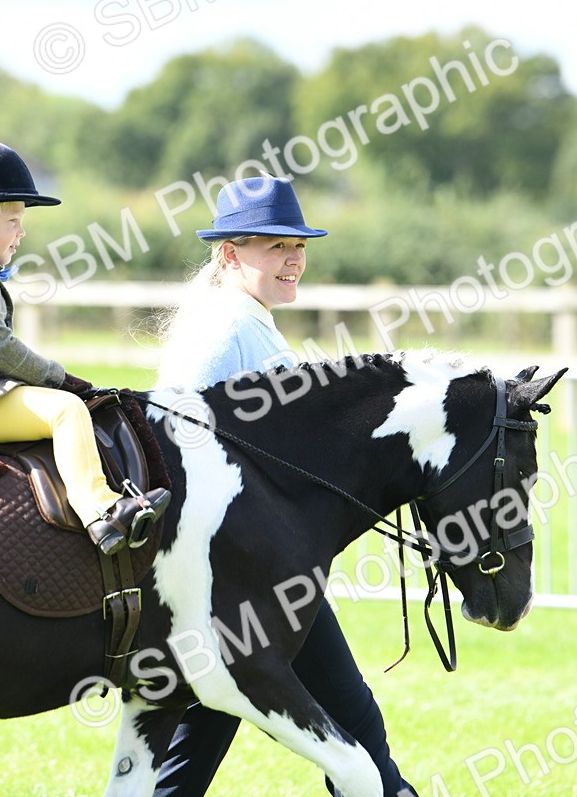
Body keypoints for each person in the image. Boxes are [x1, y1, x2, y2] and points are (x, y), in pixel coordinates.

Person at [154, 176, 417, 797]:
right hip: (251, 573)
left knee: (205, 726)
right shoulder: (227, 332)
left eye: (297, 245)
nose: (293, 258)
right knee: (353, 724)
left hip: (250, 569)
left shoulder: (248, 323)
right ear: (229, 254)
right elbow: (174, 439)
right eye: (273, 247)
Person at [0, 133, 167, 554]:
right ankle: (102, 511)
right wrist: (61, 379)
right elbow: (0, 350)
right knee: (66, 411)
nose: (21, 233)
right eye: (14, 221)